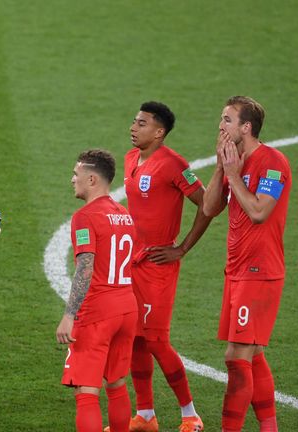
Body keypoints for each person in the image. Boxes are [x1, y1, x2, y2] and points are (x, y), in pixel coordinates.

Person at [111, 102, 211, 432]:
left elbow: (208, 203)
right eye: (134, 121)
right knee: (135, 339)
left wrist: (181, 247)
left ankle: (190, 415)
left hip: (158, 266)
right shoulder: (131, 158)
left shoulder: (174, 164)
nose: (133, 127)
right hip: (132, 263)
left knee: (155, 340)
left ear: (159, 132)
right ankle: (145, 416)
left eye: (141, 123)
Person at [202, 96, 291, 432]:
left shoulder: (273, 163)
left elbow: (258, 212)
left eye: (227, 119)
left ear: (246, 127)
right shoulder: (233, 161)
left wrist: (233, 175)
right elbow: (210, 208)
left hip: (260, 272)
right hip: (237, 271)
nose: (220, 126)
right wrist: (220, 168)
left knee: (236, 358)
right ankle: (269, 427)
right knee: (252, 355)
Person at [56, 149, 138, 432]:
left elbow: (85, 267)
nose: (72, 180)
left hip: (98, 313)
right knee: (116, 384)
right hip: (127, 308)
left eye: (76, 174)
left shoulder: (85, 217)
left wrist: (69, 315)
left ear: (92, 179)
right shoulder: (124, 215)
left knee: (86, 392)